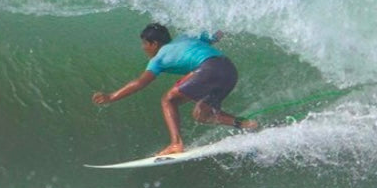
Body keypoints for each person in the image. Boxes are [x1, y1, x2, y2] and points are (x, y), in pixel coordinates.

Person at [92, 23, 258, 156]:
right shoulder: (187, 37)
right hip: (228, 70)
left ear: (154, 43)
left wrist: (111, 97)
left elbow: (140, 83)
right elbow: (217, 34)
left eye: (145, 43)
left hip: (208, 70)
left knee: (168, 99)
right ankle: (245, 124)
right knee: (202, 114)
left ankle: (176, 143)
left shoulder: (159, 58)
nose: (143, 48)